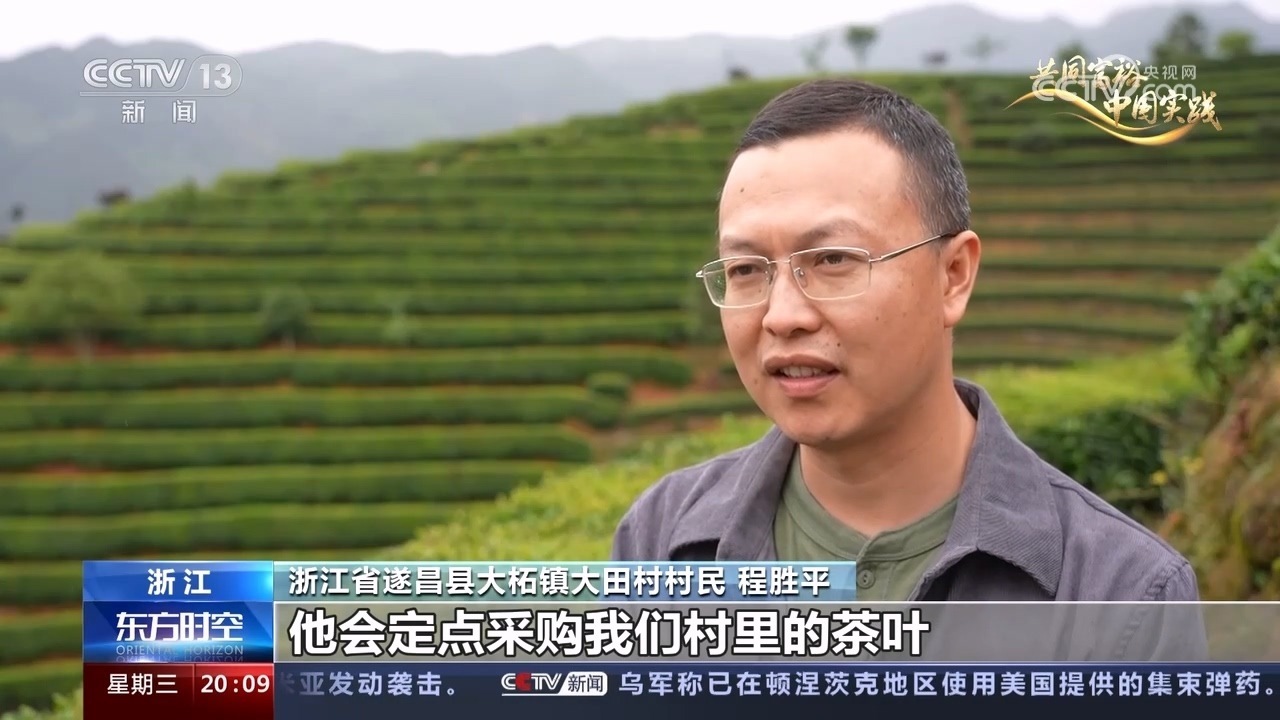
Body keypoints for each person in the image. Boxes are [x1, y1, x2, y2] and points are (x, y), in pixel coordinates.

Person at [609, 78, 1202, 611]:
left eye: (833, 259)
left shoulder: (1121, 593)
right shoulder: (661, 540)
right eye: (745, 270)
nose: (783, 316)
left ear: (953, 276)